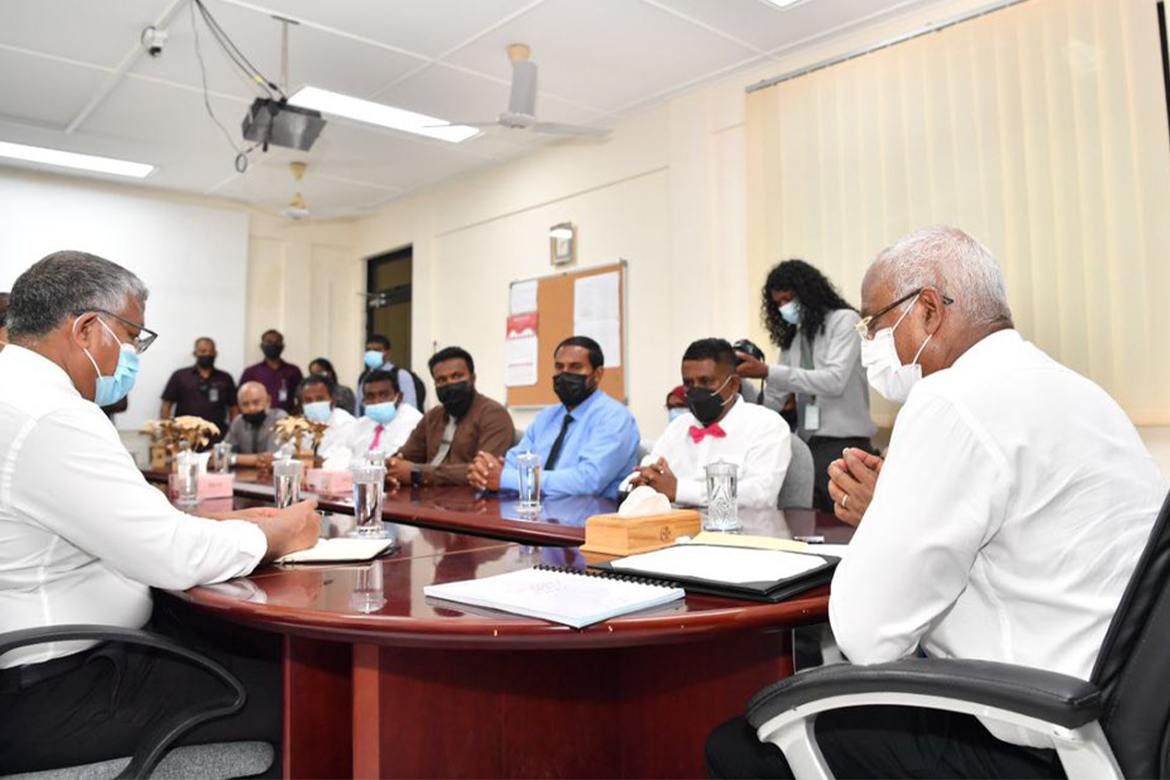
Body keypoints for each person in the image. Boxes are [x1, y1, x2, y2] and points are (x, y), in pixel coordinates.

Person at [706, 227, 1169, 779]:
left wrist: (881, 519)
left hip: (1036, 733)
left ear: (927, 310)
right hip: (1120, 723)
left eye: (873, 324)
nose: (870, 345)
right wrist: (894, 509)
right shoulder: (1076, 390)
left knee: (739, 746)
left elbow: (868, 637)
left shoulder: (950, 399)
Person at [0, 250, 320, 775]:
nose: (133, 355)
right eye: (132, 337)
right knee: (304, 692)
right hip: (60, 685)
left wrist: (225, 524)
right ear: (87, 329)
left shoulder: (18, 394)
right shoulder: (51, 414)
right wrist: (279, 535)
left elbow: (126, 518)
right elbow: (170, 556)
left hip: (57, 665)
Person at [735, 260, 877, 513]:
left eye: (788, 299)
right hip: (808, 447)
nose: (784, 308)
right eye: (778, 303)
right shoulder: (793, 339)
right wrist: (737, 381)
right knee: (810, 524)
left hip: (845, 443)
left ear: (808, 293)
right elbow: (772, 402)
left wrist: (767, 371)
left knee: (845, 522)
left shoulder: (845, 321)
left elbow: (834, 380)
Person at [469, 336, 640, 500]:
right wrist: (486, 472)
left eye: (575, 367)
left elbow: (587, 481)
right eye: (559, 367)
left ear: (597, 374)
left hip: (591, 513)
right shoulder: (546, 416)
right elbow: (515, 462)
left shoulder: (614, 417)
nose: (565, 374)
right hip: (537, 510)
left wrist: (506, 479)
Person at [630, 339, 790, 508]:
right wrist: (646, 479)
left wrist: (679, 490)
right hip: (678, 523)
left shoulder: (766, 425)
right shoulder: (678, 427)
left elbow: (759, 493)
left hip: (741, 524)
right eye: (688, 383)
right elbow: (648, 471)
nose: (696, 390)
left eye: (706, 382)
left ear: (733, 384)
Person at [388, 347, 514, 488]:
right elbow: (404, 457)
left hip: (469, 498)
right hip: (426, 495)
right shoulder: (432, 417)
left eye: (457, 376)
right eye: (441, 380)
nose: (450, 384)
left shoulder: (493, 415)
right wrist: (392, 467)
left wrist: (418, 473)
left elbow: (484, 471)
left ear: (472, 379)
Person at [160, 337, 238, 434]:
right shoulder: (180, 376)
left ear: (215, 353)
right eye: (203, 351)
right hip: (185, 434)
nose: (207, 354)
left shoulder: (225, 378)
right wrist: (168, 431)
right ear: (195, 353)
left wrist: (234, 432)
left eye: (211, 351)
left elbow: (234, 408)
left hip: (217, 434)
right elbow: (166, 405)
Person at [347, 369, 423, 457]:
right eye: (370, 397)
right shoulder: (360, 425)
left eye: (384, 395)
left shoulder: (414, 422)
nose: (376, 401)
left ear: (399, 397)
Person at [223, 381, 288, 467]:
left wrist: (232, 459)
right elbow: (222, 453)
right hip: (244, 473)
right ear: (239, 406)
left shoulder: (280, 418)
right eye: (245, 404)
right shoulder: (238, 422)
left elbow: (272, 458)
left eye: (256, 402)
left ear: (268, 401)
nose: (251, 408)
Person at [239, 329, 302, 414]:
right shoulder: (251, 372)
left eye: (277, 342)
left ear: (282, 346)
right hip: (257, 418)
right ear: (262, 346)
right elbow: (242, 399)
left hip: (288, 418)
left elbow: (301, 397)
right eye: (269, 342)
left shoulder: (293, 371)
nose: (273, 345)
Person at [358, 334, 421, 412]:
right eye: (368, 350)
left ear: (388, 353)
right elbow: (359, 409)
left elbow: (410, 407)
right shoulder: (364, 377)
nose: (371, 353)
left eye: (376, 350)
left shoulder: (401, 375)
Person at [298, 375, 357, 456]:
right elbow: (289, 452)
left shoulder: (346, 424)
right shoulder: (302, 424)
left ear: (333, 400)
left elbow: (336, 458)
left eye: (320, 399)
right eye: (308, 400)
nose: (314, 404)